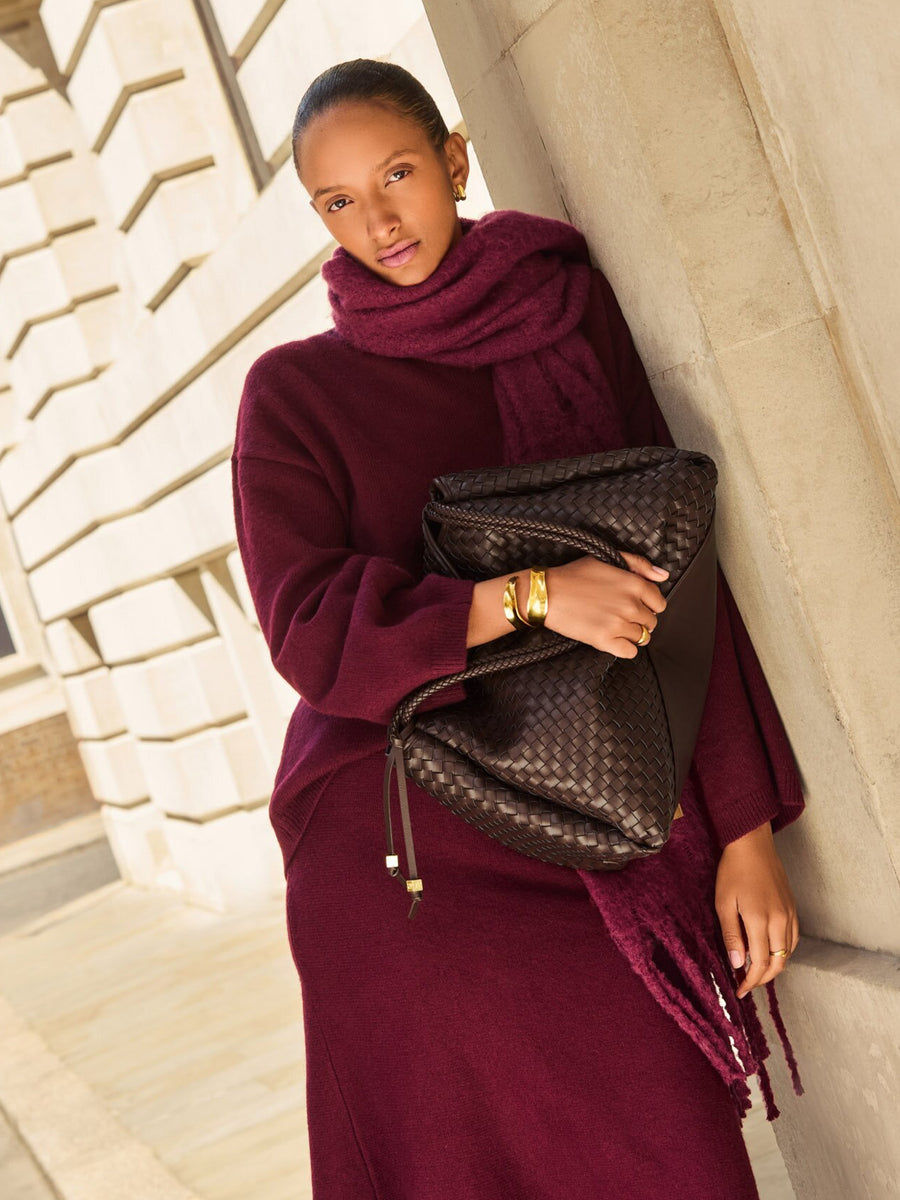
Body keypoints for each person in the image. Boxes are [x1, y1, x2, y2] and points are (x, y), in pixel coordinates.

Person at [231, 57, 807, 1200]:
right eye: (338, 200)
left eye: (397, 175)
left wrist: (745, 832)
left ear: (454, 160)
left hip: (601, 815)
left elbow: (684, 578)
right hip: (407, 850)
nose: (378, 220)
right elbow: (307, 624)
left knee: (677, 1155)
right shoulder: (292, 394)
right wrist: (534, 595)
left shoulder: (562, 313)